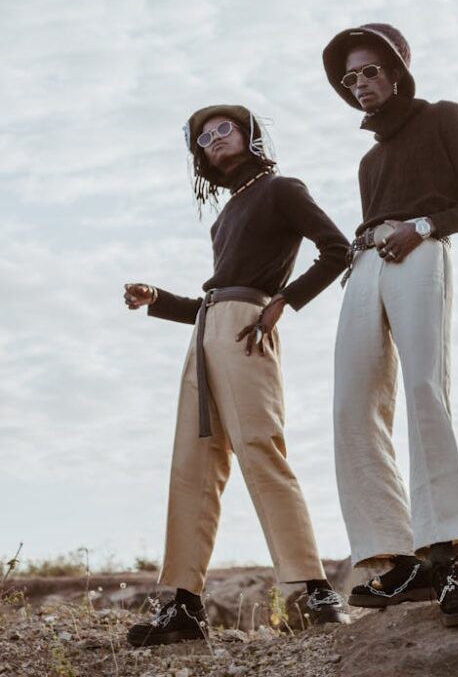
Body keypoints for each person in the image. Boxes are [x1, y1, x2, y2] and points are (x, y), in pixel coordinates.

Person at [124, 104, 350, 646]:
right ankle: (183, 604)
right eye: (203, 137)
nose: (213, 139)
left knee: (260, 447)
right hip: (205, 329)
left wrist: (284, 303)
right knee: (192, 463)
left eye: (224, 128)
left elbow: (337, 249)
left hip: (248, 327)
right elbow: (216, 293)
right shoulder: (224, 216)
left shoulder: (283, 189)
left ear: (249, 134)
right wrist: (158, 299)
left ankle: (313, 587)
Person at [322, 24, 458, 627]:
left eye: (371, 70)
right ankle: (395, 557)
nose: (361, 84)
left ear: (397, 69)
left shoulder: (442, 116)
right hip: (364, 264)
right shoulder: (369, 160)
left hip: (419, 250)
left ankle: (444, 555)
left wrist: (421, 227)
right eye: (350, 78)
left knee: (424, 388)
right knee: (352, 403)